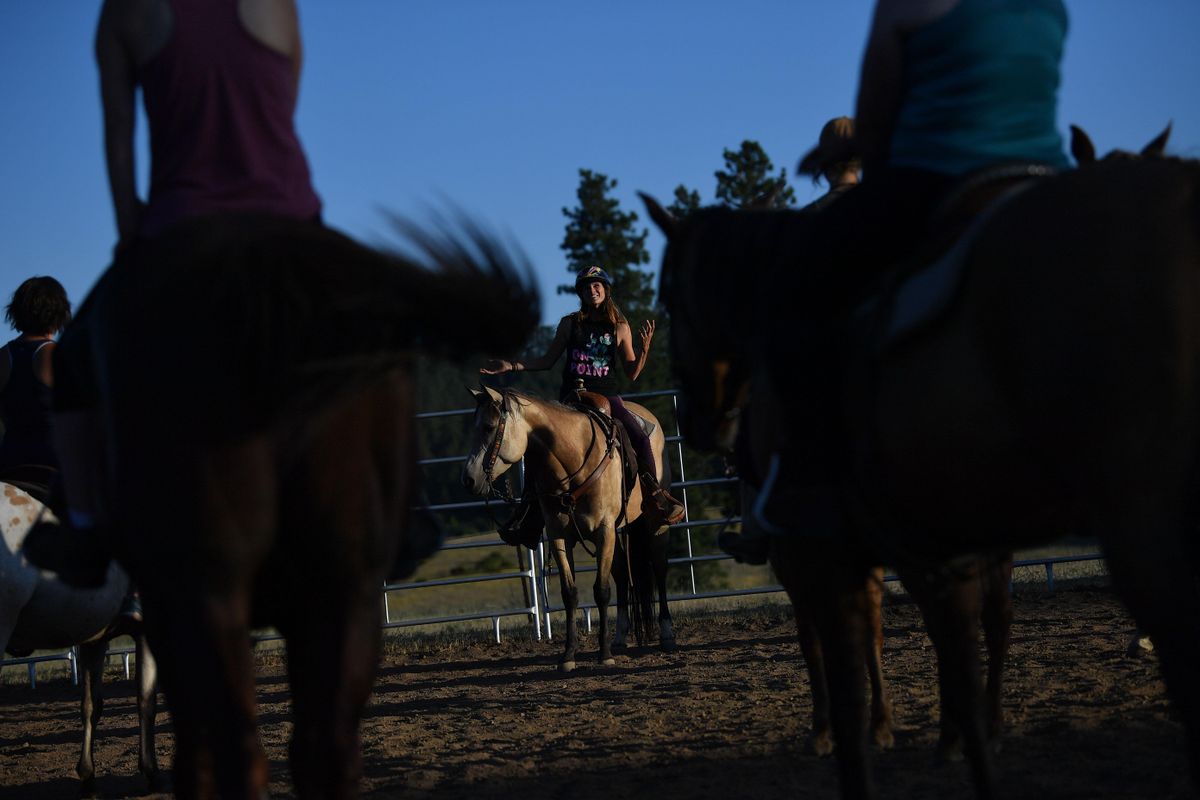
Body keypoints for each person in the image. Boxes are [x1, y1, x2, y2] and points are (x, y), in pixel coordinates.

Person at [23, 0, 323, 587]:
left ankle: (83, 529)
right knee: (375, 336)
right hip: (290, 223)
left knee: (78, 359)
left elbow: (119, 141)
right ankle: (402, 508)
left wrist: (131, 233)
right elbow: (279, 118)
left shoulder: (123, 14)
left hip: (181, 228)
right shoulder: (277, 5)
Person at [755, 0, 1071, 540]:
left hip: (941, 176)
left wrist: (852, 148)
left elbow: (877, 123)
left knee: (792, 294)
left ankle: (808, 477)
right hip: (1047, 176)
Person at [717, 116, 862, 565]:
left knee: (756, 426)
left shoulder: (806, 223)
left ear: (824, 164)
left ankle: (756, 530)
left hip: (830, 365)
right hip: (899, 349)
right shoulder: (894, 211)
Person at [480, 265, 685, 541]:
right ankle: (530, 513)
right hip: (571, 400)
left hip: (607, 397)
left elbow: (632, 373)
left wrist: (644, 350)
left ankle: (655, 496)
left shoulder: (620, 327)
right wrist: (511, 365)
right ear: (581, 293)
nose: (593, 290)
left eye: (597, 285)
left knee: (637, 435)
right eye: (587, 287)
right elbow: (547, 361)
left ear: (606, 289)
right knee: (538, 445)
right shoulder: (569, 324)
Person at [0, 277, 71, 472]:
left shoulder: (3, 356)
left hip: (9, 463)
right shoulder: (57, 355)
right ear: (58, 314)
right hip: (52, 465)